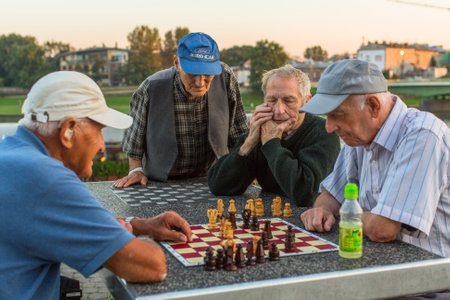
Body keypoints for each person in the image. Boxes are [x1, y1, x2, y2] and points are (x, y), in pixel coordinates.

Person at [0, 71, 192, 299]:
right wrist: (132, 241)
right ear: (68, 131)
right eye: (99, 130)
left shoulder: (10, 157)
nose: (102, 146)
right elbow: (150, 266)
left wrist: (138, 226)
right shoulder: (47, 180)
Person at [300, 59, 449, 258]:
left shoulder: (423, 135)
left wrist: (350, 216)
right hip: (384, 265)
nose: (329, 127)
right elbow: (331, 197)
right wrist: (321, 211)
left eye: (338, 115)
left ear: (373, 106)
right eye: (327, 116)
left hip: (433, 279)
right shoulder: (359, 137)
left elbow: (383, 229)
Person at [114, 32, 248, 187]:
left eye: (207, 74)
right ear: (177, 63)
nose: (200, 82)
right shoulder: (151, 87)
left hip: (212, 177)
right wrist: (136, 170)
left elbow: (240, 134)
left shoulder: (226, 77)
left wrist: (237, 170)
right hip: (162, 180)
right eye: (193, 73)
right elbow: (133, 142)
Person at [208, 65, 341, 206]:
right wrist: (248, 143)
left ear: (307, 101)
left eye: (288, 101)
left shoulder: (324, 132)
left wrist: (271, 143)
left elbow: (305, 194)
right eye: (272, 100)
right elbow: (219, 186)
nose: (279, 110)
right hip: (268, 217)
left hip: (312, 220)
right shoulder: (262, 129)